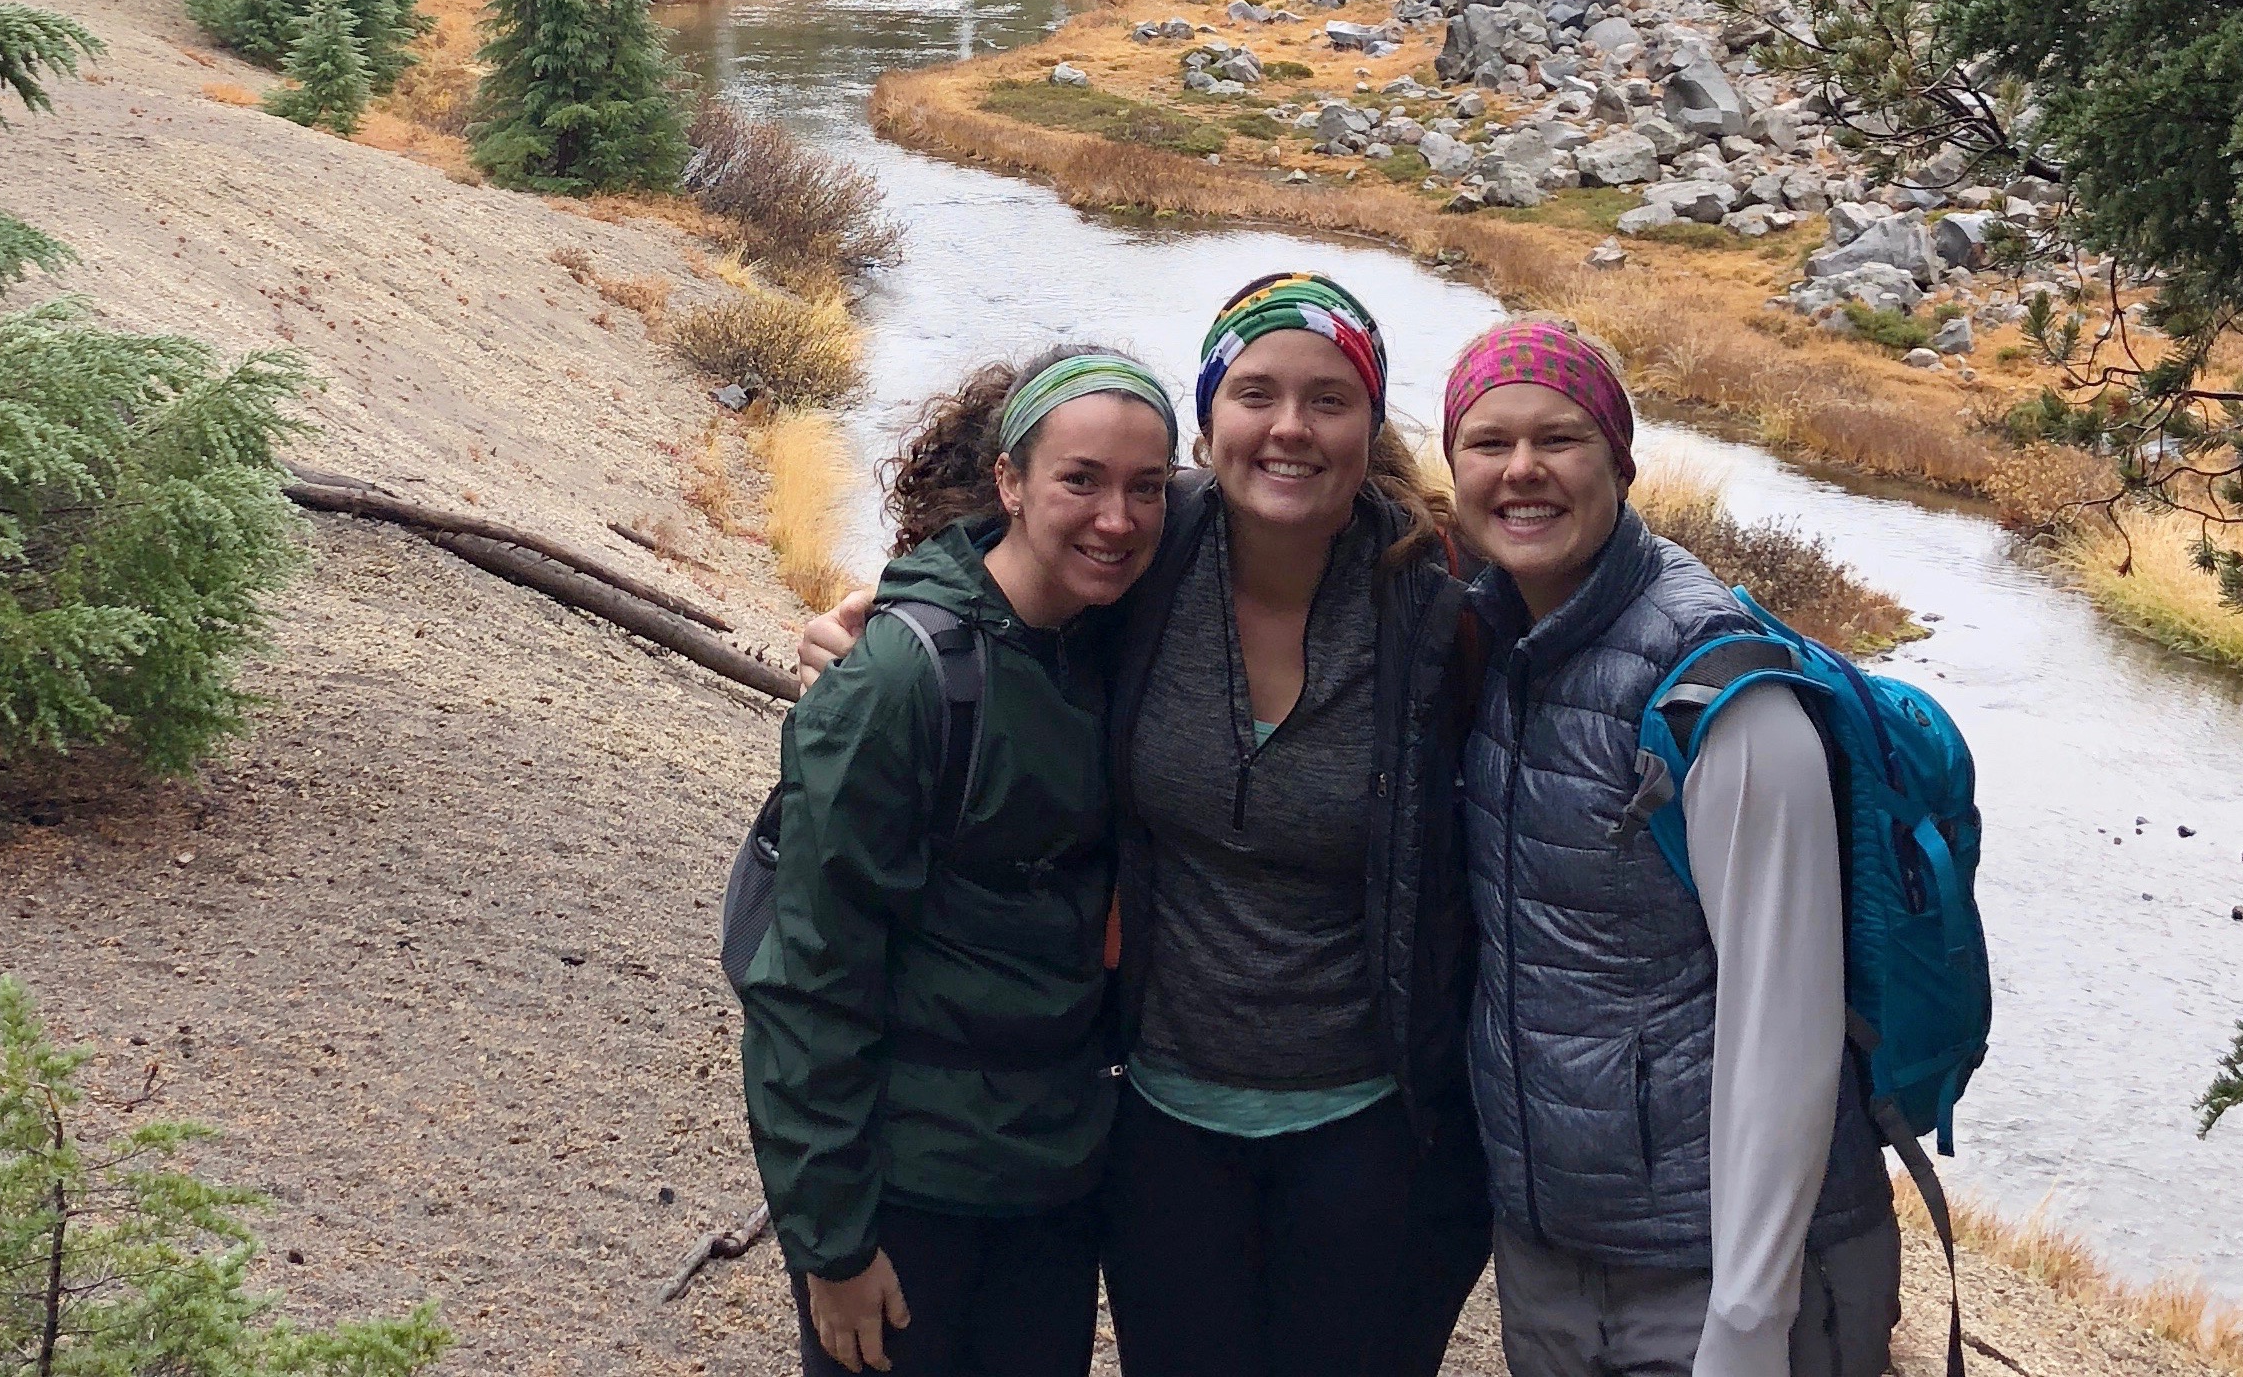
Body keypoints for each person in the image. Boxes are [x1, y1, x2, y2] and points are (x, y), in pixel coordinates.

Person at [798, 274, 1491, 1377]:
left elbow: (1582, 638)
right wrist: (883, 626)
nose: (1290, 429)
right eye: (1256, 392)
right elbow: (1009, 564)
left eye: (1330, 399)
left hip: (1376, 1127)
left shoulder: (1444, 591)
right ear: (1209, 418)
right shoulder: (1153, 553)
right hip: (1165, 1123)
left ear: (1374, 422)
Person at [1443, 319, 1899, 1377]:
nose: (1522, 470)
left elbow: (1784, 1017)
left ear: (1621, 460)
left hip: (1728, 1276)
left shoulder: (1718, 686)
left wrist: (1747, 1319)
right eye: (1488, 441)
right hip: (1558, 1254)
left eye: (1558, 438)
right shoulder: (1488, 636)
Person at [741, 346, 1180, 1377]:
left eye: (1146, 488)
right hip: (910, 1191)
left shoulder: (1107, 639)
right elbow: (809, 978)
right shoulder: (903, 681)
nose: (1117, 517)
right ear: (1009, 482)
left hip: (1053, 1186)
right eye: (1080, 480)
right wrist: (832, 1242)